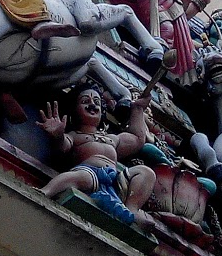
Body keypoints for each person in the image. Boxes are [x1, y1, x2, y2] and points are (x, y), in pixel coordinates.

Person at [38, 87, 156, 228]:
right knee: (80, 176)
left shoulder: (112, 139)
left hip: (114, 182)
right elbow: (62, 147)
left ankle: (132, 210)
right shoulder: (75, 136)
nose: (92, 105)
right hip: (90, 175)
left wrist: (137, 108)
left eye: (97, 102)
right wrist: (58, 135)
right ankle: (45, 192)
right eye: (85, 101)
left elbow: (138, 139)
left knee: (146, 172)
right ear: (74, 110)